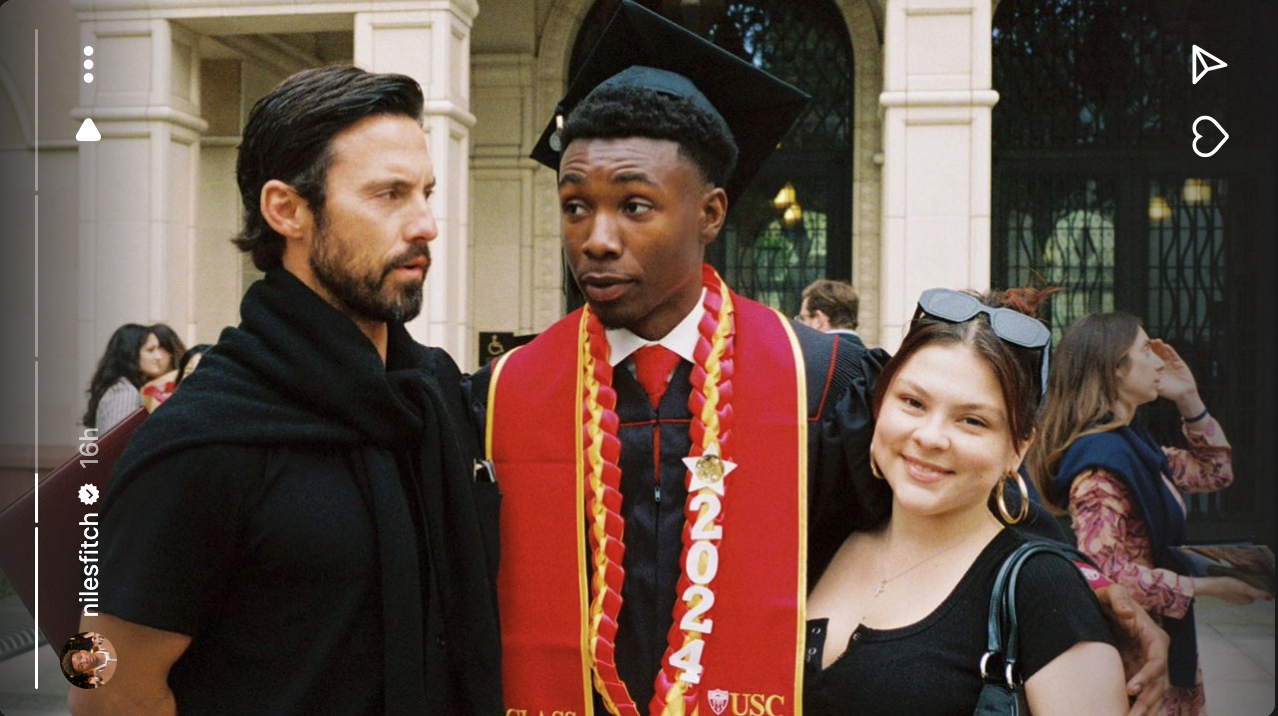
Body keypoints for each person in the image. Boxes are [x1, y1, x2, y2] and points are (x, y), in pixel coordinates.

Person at [475, 4, 1167, 715]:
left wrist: (1090, 595)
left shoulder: (821, 381)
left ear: (710, 214)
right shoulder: (500, 398)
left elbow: (952, 490)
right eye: (575, 206)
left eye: (635, 206)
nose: (596, 238)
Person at [70, 66, 501, 716]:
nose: (425, 225)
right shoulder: (200, 440)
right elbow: (103, 689)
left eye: (425, 193)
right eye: (389, 195)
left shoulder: (435, 397)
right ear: (287, 210)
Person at [805, 287, 1127, 716]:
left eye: (972, 421)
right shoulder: (824, 533)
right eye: (913, 402)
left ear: (1018, 447)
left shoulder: (1045, 589)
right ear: (879, 405)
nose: (930, 437)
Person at [1030, 312, 1271, 716]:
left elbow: (1215, 471)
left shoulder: (1135, 445)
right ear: (1114, 368)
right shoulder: (1101, 464)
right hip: (1133, 652)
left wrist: (1188, 398)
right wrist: (1210, 587)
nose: (1160, 362)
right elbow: (1108, 573)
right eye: (1146, 350)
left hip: (1161, 632)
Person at [83, 323, 184, 431]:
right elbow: (117, 442)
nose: (158, 357)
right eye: (150, 350)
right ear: (131, 354)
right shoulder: (124, 392)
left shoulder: (133, 388)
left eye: (162, 350)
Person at [798, 278, 866, 350]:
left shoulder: (809, 358)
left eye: (802, 319)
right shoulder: (873, 358)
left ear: (818, 319)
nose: (799, 325)